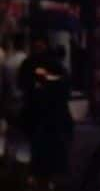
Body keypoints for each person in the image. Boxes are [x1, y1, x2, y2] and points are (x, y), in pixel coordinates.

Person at [18, 34, 73, 190]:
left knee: (45, 147)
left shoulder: (49, 63)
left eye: (40, 44)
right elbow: (23, 84)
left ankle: (44, 176)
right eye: (36, 44)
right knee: (40, 147)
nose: (38, 47)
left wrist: (46, 80)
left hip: (48, 113)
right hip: (39, 112)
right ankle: (40, 176)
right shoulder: (29, 63)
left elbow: (63, 85)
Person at [2, 34, 29, 166]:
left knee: (11, 135)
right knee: (24, 137)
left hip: (9, 103)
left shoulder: (7, 62)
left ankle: (9, 164)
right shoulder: (28, 61)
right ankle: (22, 166)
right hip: (24, 104)